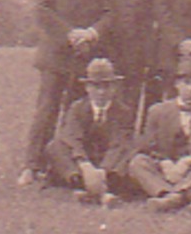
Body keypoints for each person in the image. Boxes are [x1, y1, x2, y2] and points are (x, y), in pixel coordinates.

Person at [18, 0, 112, 187]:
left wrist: (91, 33)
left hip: (86, 55)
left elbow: (109, 13)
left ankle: (65, 166)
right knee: (47, 109)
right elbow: (42, 11)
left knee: (77, 111)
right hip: (56, 54)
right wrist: (70, 34)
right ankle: (32, 165)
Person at [128, 45, 191, 213]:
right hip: (165, 171)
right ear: (176, 84)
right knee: (137, 163)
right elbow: (146, 146)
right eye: (187, 83)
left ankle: (173, 198)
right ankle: (175, 195)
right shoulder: (157, 111)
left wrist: (188, 162)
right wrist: (165, 163)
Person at [46, 58, 135, 206]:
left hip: (108, 163)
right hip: (82, 162)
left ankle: (94, 191)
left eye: (106, 86)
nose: (101, 92)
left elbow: (118, 143)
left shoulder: (123, 111)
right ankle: (89, 188)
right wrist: (84, 163)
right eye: (96, 86)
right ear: (87, 87)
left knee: (130, 150)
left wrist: (103, 170)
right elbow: (72, 137)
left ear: (114, 87)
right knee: (55, 146)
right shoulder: (77, 108)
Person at [103, 0, 157, 118]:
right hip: (108, 48)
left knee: (132, 100)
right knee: (107, 98)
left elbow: (155, 14)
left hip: (137, 50)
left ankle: (127, 145)